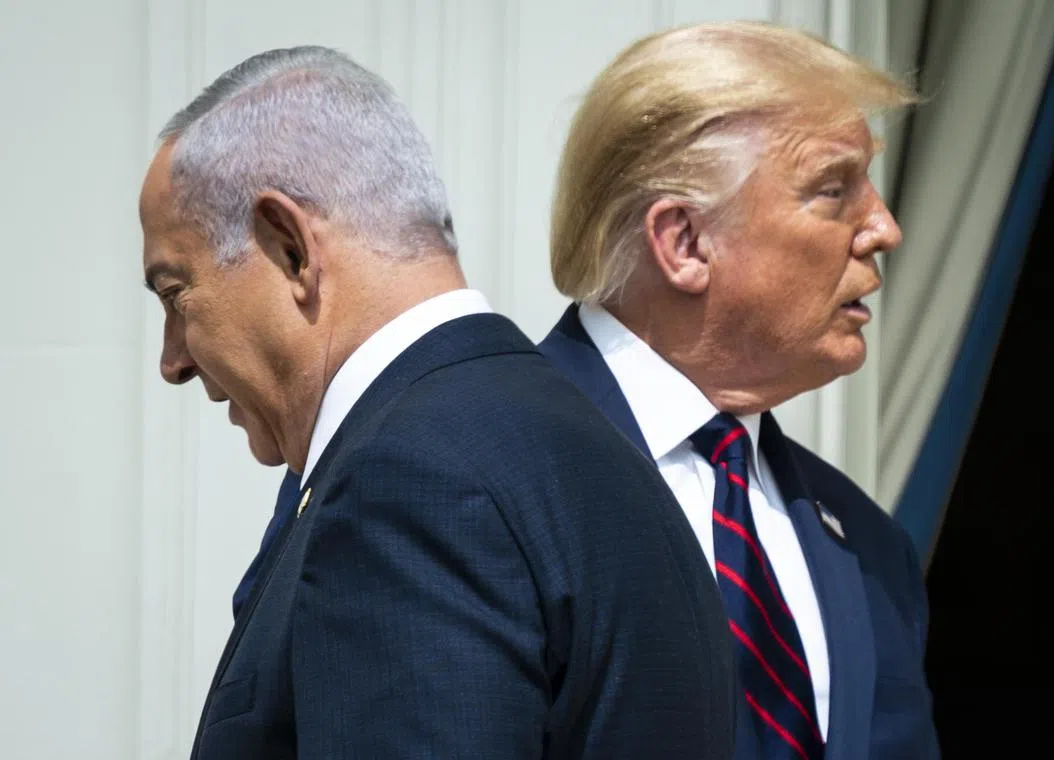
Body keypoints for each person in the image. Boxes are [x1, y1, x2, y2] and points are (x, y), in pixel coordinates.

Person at [140, 45, 735, 759]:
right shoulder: (608, 458)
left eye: (177, 295)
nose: (173, 360)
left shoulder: (408, 485)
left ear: (290, 248)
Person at [537, 22, 939, 759]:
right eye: (833, 188)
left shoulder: (869, 546)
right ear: (685, 242)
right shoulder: (476, 471)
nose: (884, 227)